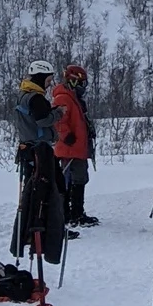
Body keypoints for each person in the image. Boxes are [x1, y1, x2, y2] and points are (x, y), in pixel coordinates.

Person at [12, 60, 65, 267]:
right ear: (42, 78)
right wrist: (58, 113)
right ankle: (41, 230)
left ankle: (31, 232)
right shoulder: (36, 98)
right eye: (49, 79)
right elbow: (43, 120)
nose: (50, 83)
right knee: (44, 190)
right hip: (39, 151)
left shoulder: (24, 95)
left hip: (28, 149)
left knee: (32, 191)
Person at [52, 62, 98, 226]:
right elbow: (58, 121)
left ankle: (76, 212)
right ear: (73, 81)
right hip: (69, 148)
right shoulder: (63, 97)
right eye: (81, 83)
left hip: (78, 147)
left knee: (79, 179)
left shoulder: (75, 99)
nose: (83, 87)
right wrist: (66, 135)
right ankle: (70, 214)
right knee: (71, 181)